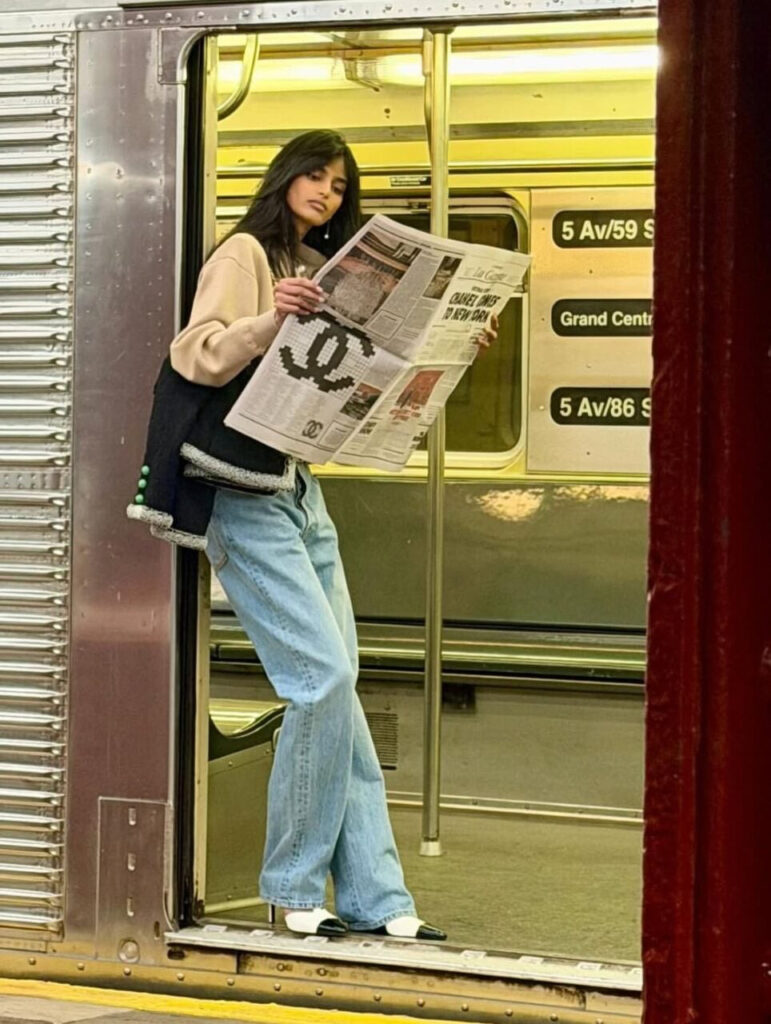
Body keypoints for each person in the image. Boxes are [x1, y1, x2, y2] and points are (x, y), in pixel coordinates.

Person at [132, 130, 496, 941]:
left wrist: (449, 349)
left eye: (338, 184)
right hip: (241, 494)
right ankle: (292, 887)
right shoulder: (247, 254)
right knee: (320, 681)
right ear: (286, 177)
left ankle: (378, 899)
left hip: (298, 489)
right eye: (316, 176)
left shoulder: (323, 268)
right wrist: (272, 319)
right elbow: (196, 353)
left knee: (341, 696)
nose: (326, 192)